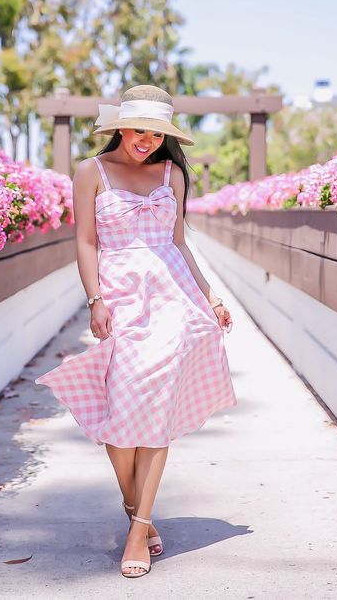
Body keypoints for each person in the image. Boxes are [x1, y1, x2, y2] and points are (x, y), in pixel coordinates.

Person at [35, 84, 238, 578]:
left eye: (156, 133)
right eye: (139, 130)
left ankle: (137, 527)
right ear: (120, 127)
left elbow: (180, 244)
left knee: (156, 412)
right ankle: (136, 509)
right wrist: (95, 299)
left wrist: (209, 296)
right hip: (121, 300)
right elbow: (85, 242)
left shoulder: (172, 174)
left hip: (173, 300)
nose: (146, 140)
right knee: (121, 415)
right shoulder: (92, 171)